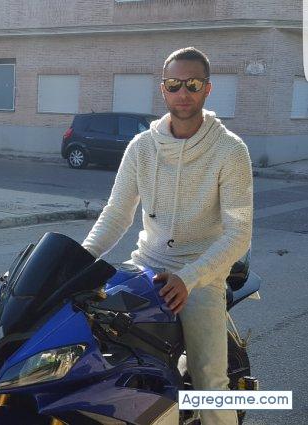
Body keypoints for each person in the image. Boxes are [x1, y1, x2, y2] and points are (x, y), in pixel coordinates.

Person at [82, 47, 253, 425]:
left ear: (208, 88)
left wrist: (190, 278)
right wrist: (77, 261)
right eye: (174, 84)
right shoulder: (141, 147)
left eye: (193, 84)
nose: (183, 93)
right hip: (146, 264)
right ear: (163, 89)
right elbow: (117, 214)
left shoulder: (230, 150)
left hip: (201, 273)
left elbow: (239, 232)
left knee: (210, 382)